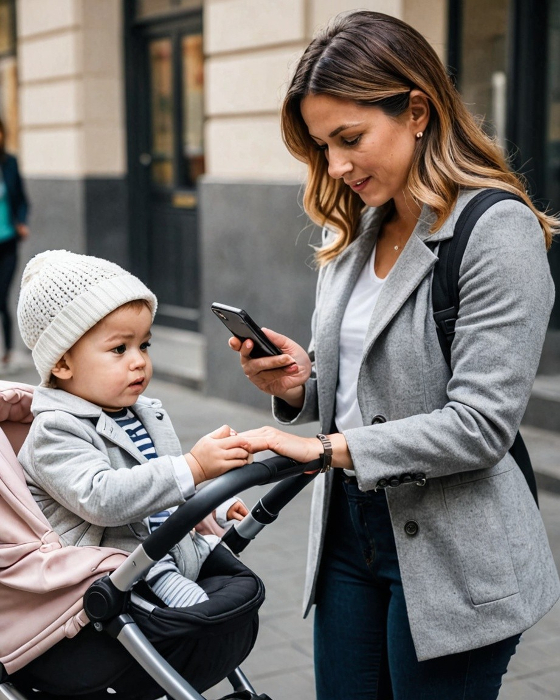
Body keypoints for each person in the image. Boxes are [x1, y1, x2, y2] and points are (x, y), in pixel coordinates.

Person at [228, 11, 560, 700]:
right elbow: (358, 389)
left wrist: (323, 451)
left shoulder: (495, 230)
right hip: (348, 534)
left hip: (456, 549)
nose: (337, 166)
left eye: (350, 139)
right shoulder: (354, 229)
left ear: (416, 109)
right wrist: (299, 384)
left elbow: (480, 427)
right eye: (323, 147)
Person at [16, 249, 251, 609]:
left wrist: (211, 505)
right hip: (119, 572)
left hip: (169, 547)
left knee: (236, 592)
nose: (139, 360)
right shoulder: (55, 429)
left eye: (144, 345)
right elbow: (104, 499)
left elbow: (161, 491)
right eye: (119, 348)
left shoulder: (144, 414)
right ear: (62, 362)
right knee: (204, 619)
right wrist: (194, 466)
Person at [0, 117, 29, 368]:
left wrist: (21, 220)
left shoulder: (10, 164)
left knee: (2, 296)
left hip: (8, 241)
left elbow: (21, 199)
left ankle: (8, 350)